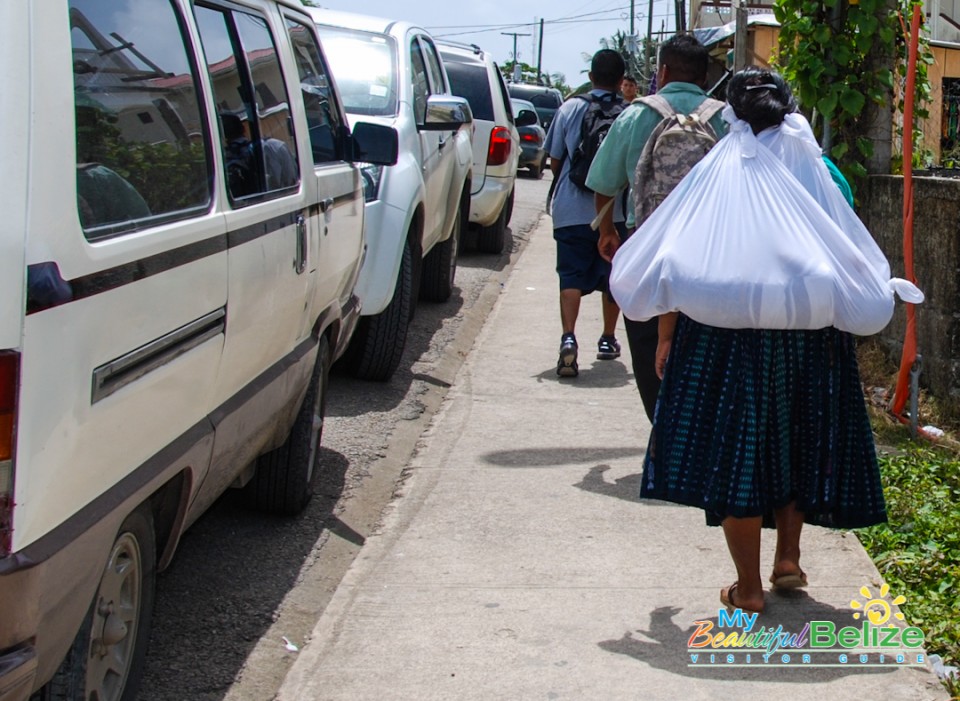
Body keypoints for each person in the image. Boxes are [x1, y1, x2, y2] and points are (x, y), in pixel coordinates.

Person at [641, 68, 888, 614]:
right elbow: (846, 237)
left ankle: (748, 588)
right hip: (812, 335)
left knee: (738, 455)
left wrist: (665, 331)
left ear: (732, 114)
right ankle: (789, 560)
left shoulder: (714, 174)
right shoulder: (820, 171)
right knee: (797, 438)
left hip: (726, 339)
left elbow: (677, 253)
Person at [586, 34, 726, 421]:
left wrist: (608, 234)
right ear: (705, 74)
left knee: (649, 347)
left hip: (646, 244)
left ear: (662, 71)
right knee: (703, 345)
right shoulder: (724, 118)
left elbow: (602, 182)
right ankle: (695, 434)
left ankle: (661, 428)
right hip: (709, 252)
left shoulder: (636, 114)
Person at [544, 49, 627, 377]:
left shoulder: (569, 108)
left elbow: (554, 160)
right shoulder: (628, 113)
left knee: (570, 275)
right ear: (622, 81)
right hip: (614, 210)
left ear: (590, 76)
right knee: (613, 278)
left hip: (570, 209)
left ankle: (568, 337)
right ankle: (607, 338)